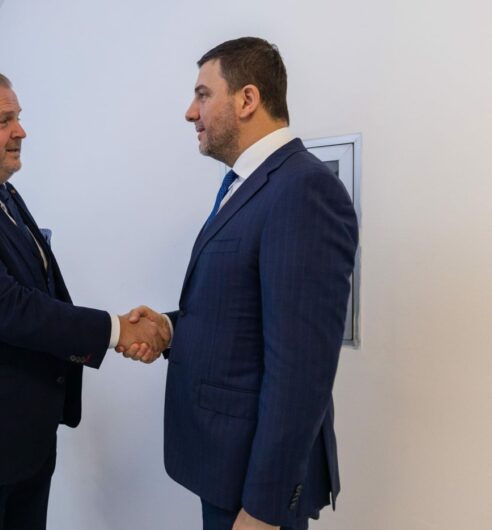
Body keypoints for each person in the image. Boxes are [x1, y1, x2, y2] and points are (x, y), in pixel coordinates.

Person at [0, 70, 167, 529]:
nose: (21, 131)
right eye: (5, 120)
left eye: (18, 118)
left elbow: (42, 289)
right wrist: (117, 330)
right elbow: (6, 307)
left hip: (21, 437)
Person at [127, 37, 358, 529]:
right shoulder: (247, 184)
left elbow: (301, 370)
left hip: (255, 488)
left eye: (203, 94)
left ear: (247, 99)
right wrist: (170, 328)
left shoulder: (303, 189)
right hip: (225, 468)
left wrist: (263, 509)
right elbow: (243, 313)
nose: (190, 112)